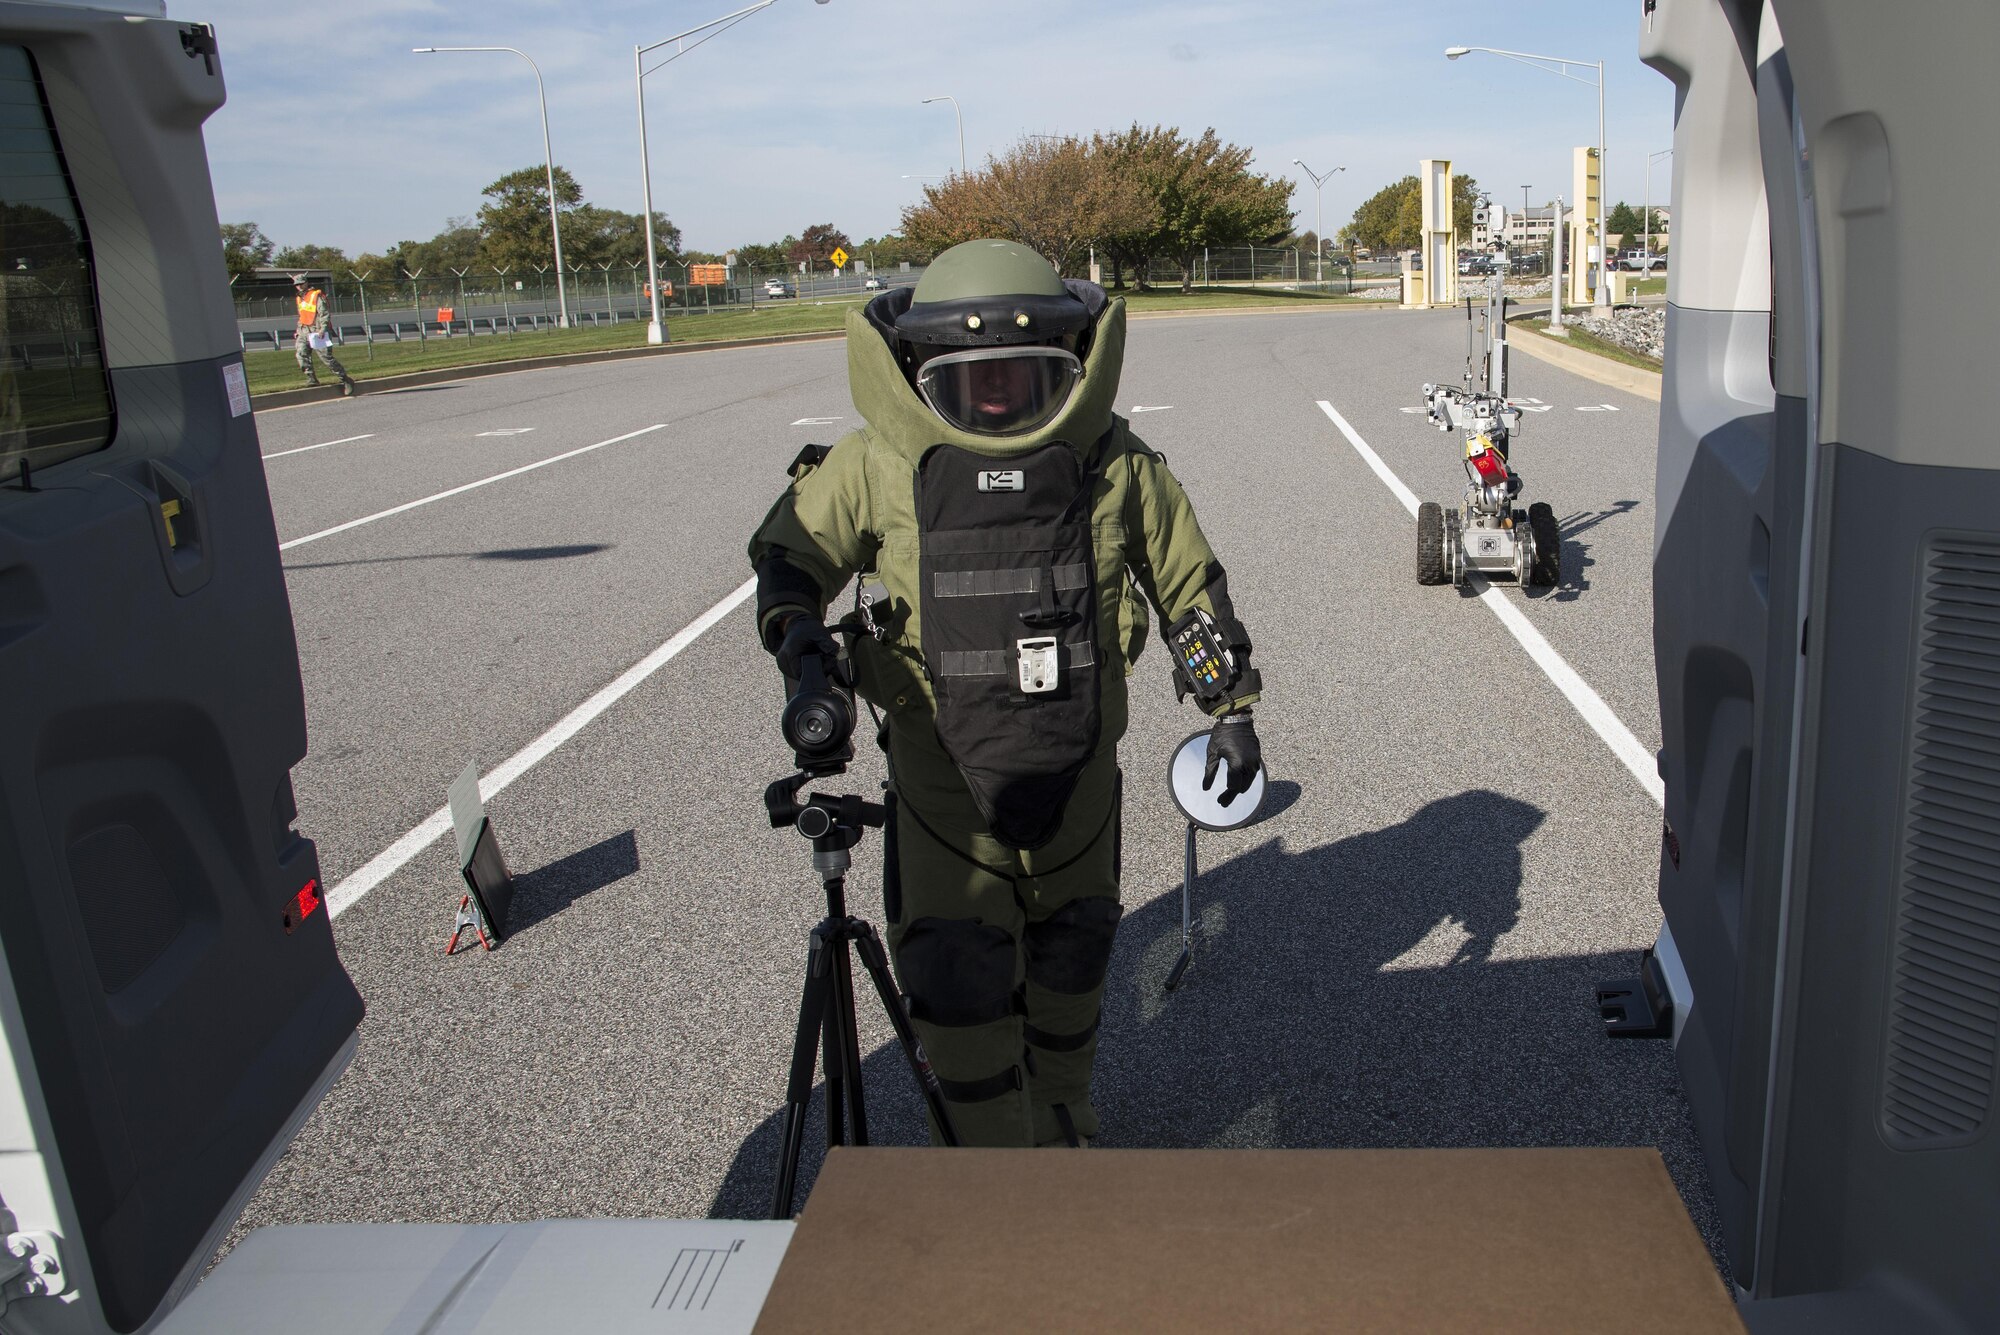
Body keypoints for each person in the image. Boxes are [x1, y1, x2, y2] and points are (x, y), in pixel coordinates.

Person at [748, 238, 1264, 1148]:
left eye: (1023, 376)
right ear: (920, 371)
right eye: (971, 378)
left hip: (1080, 782)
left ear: (1070, 366)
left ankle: (1065, 1127)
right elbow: (791, 554)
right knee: (956, 980)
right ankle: (993, 1167)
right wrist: (800, 647)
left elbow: (1187, 585)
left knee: (1076, 958)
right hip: (942, 788)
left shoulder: (1114, 461)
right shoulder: (879, 464)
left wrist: (1233, 710)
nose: (995, 395)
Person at [292, 273, 356, 395]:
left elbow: (324, 314)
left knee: (326, 358)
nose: (299, 286)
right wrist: (298, 331)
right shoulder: (299, 298)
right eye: (297, 285)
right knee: (301, 354)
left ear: (306, 282)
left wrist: (323, 329)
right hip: (304, 331)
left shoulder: (316, 295)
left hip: (318, 331)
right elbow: (302, 315)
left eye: (301, 283)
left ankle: (346, 380)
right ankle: (311, 378)